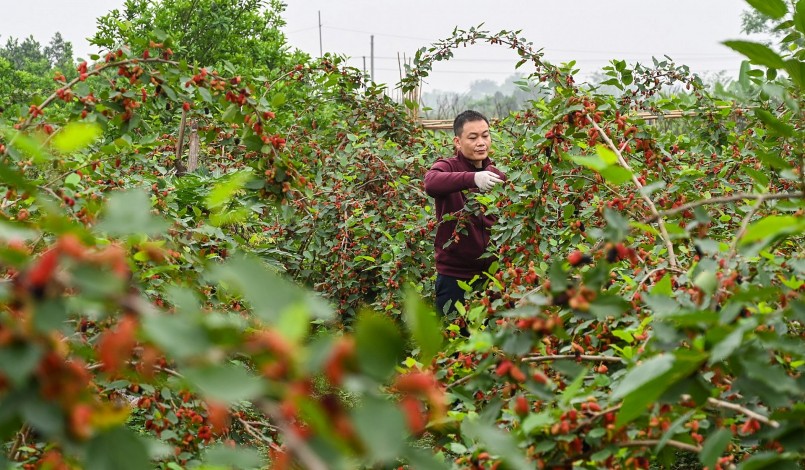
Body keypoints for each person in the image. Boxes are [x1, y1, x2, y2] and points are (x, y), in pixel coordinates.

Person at [424, 110, 506, 317]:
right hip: (454, 275)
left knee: (491, 342)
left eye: (485, 135)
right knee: (452, 341)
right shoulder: (447, 167)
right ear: (458, 142)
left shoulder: (496, 176)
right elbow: (431, 183)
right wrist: (472, 178)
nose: (481, 143)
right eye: (473, 137)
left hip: (491, 275)